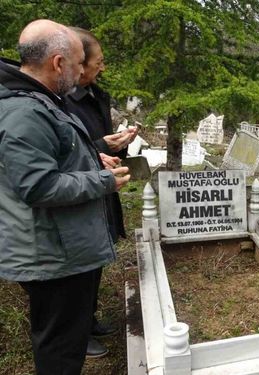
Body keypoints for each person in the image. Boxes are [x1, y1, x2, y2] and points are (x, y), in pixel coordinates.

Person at [0, 20, 129, 374]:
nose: (82, 71)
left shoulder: (40, 101)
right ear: (58, 63)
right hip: (51, 256)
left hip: (61, 248)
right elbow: (38, 186)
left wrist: (92, 156)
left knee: (65, 343)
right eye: (76, 63)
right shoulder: (25, 112)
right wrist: (102, 180)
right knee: (60, 351)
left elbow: (54, 158)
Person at [65, 27, 138, 358]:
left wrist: (117, 145)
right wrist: (98, 148)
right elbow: (69, 152)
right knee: (76, 272)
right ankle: (75, 335)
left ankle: (88, 320)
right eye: (97, 62)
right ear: (76, 63)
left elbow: (95, 145)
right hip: (78, 193)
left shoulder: (95, 96)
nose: (100, 68)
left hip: (99, 188)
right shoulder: (62, 100)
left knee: (93, 264)